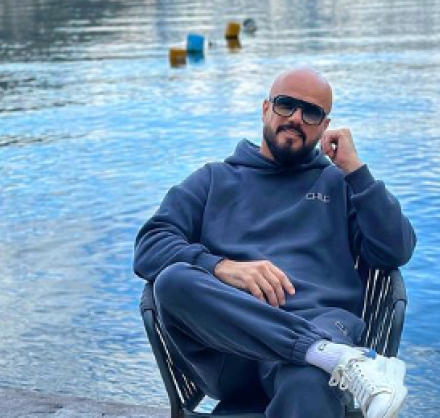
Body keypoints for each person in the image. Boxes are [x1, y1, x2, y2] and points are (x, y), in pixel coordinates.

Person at [133, 67, 416, 418]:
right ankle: (328, 355)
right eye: (286, 104)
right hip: (230, 351)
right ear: (266, 108)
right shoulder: (213, 179)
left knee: (310, 380)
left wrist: (356, 171)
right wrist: (222, 268)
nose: (296, 117)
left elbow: (394, 250)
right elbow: (149, 246)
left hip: (320, 324)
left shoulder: (340, 183)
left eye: (311, 112)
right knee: (173, 281)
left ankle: (321, 354)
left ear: (324, 126)